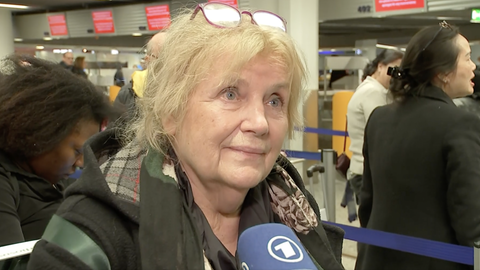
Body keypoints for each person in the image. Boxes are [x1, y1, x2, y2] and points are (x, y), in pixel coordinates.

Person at [27, 3, 345, 270]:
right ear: (171, 112)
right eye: (231, 94)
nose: (259, 123)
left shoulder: (290, 199)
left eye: (274, 100)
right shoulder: (96, 228)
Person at [356, 21, 479, 270]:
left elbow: (368, 205)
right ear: (443, 72)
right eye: (467, 58)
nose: (473, 66)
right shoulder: (460, 123)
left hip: (377, 260)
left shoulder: (380, 118)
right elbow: (470, 218)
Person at [0, 55, 113, 247]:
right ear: (42, 134)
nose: (80, 163)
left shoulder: (54, 181)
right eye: (77, 151)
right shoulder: (6, 184)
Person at [346, 49, 403, 200]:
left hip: (364, 169)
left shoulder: (371, 88)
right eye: (393, 68)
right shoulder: (374, 92)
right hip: (367, 171)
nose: (395, 74)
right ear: (380, 66)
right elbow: (384, 131)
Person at [111, 32, 167, 128]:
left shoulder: (185, 93)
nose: (167, 65)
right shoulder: (127, 94)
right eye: (161, 60)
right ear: (147, 60)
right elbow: (112, 137)